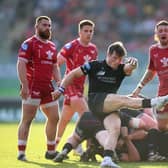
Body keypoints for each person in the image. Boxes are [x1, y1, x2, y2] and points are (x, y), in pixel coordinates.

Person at [52, 41, 168, 168]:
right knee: (124, 100)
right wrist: (61, 89)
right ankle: (155, 102)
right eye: (114, 58)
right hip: (96, 101)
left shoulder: (120, 68)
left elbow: (128, 69)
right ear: (108, 54)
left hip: (109, 108)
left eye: (119, 59)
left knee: (115, 129)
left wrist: (133, 64)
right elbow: (73, 74)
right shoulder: (94, 65)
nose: (116, 61)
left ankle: (106, 159)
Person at [16, 16, 61, 161]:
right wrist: (24, 85)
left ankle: (51, 151)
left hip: (47, 87)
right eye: (44, 25)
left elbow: (55, 66)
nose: (47, 28)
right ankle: (21, 152)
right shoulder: (29, 44)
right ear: (37, 27)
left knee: (55, 117)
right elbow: (21, 64)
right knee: (27, 119)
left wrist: (59, 82)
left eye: (49, 26)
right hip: (32, 85)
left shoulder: (52, 46)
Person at [55, 19, 98, 154]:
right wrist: (58, 81)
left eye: (91, 31)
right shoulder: (71, 46)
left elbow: (91, 72)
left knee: (64, 119)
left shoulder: (93, 49)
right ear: (79, 32)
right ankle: (82, 147)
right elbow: (56, 63)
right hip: (69, 85)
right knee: (86, 115)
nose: (88, 33)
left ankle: (53, 146)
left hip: (80, 88)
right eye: (86, 31)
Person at [132, 20, 168, 131]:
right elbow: (151, 71)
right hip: (163, 93)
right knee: (161, 127)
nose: (163, 33)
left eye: (166, 31)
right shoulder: (153, 50)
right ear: (156, 34)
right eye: (160, 31)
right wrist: (139, 88)